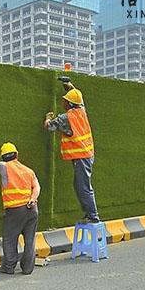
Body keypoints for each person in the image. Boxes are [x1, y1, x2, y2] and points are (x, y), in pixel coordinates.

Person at [43, 78, 100, 223]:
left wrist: (48, 118)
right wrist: (70, 86)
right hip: (86, 154)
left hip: (82, 156)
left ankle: (93, 216)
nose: (63, 102)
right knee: (79, 185)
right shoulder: (81, 111)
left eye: (65, 100)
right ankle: (89, 213)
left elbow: (49, 126)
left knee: (83, 186)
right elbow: (79, 100)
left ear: (69, 104)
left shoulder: (67, 118)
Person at [0, 142, 41, 275]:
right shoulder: (28, 171)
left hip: (15, 210)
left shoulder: (3, 166)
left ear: (3, 157)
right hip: (32, 208)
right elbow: (37, 187)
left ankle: (8, 267)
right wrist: (32, 199)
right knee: (30, 239)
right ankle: (27, 268)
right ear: (17, 155)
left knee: (10, 238)